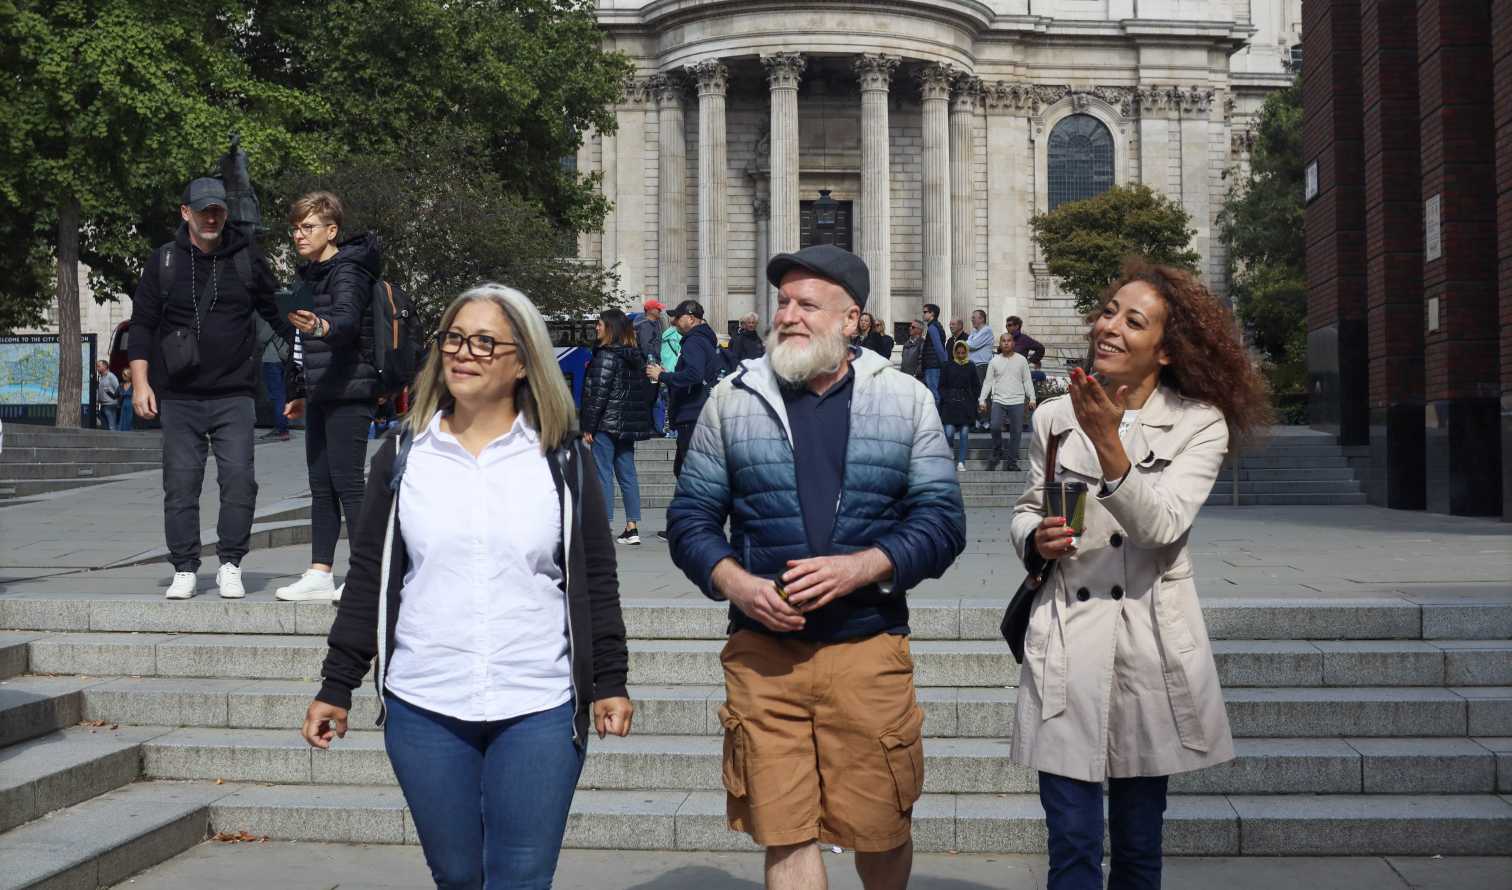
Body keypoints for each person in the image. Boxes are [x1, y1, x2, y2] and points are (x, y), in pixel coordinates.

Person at [302, 283, 634, 890]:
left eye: (485, 341)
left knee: (521, 876)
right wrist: (337, 684)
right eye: (454, 338)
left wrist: (609, 679)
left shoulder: (560, 459)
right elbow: (370, 576)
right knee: (456, 875)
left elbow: (594, 576)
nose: (464, 353)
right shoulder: (404, 455)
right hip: (426, 700)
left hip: (537, 699)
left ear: (523, 361)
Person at [667, 244, 966, 890]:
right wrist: (737, 584)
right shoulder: (733, 399)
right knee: (784, 834)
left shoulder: (906, 400)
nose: (789, 316)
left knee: (882, 831)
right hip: (764, 656)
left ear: (852, 319)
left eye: (808, 304)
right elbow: (689, 520)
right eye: (783, 302)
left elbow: (943, 522)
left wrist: (863, 567)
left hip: (867, 647)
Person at [1009, 258, 1269, 890]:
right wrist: (1034, 537)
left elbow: (1162, 524)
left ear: (1167, 349)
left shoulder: (1198, 423)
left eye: (1134, 320)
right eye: (1107, 312)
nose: (1110, 327)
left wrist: (1109, 443)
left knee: (1136, 848)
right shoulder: (1053, 415)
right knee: (1069, 845)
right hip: (1067, 643)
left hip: (1145, 647)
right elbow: (1027, 506)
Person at [128, 177, 292, 600]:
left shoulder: (246, 259)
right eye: (203, 209)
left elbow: (279, 315)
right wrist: (140, 383)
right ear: (186, 213)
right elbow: (143, 326)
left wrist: (309, 355)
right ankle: (184, 567)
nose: (212, 215)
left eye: (218, 208)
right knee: (181, 483)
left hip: (234, 394)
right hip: (179, 397)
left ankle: (231, 563)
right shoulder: (163, 262)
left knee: (239, 480)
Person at [274, 193, 383, 604]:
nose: (299, 235)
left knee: (348, 484)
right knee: (321, 485)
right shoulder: (313, 273)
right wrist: (301, 391)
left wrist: (320, 324)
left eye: (308, 227)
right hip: (323, 390)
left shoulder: (348, 269)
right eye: (296, 228)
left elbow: (347, 321)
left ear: (331, 231)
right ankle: (320, 571)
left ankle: (364, 575)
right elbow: (303, 342)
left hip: (349, 389)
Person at [581, 308, 657, 546]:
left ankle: (603, 525)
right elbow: (646, 392)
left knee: (602, 474)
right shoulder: (635, 356)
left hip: (605, 424)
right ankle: (632, 527)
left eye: (600, 324)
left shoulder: (605, 355)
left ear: (610, 328)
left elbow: (597, 395)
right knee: (627, 474)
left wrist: (588, 426)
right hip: (627, 425)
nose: (596, 328)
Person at [647, 299, 719, 479]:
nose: (673, 321)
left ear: (692, 319)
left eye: (678, 317)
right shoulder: (703, 340)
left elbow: (694, 375)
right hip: (697, 413)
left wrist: (662, 376)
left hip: (692, 415)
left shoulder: (694, 341)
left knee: (690, 475)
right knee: (684, 471)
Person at [979, 333, 1038, 471]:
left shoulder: (1022, 360)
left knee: (1016, 432)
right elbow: (987, 382)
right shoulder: (994, 361)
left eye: (1009, 341)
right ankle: (997, 449)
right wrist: (982, 399)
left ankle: (1011, 462)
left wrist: (1032, 398)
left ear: (1013, 343)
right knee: (994, 426)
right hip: (998, 400)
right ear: (1000, 344)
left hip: (1017, 400)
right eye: (1003, 341)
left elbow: (1027, 380)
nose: (1006, 343)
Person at [939, 341, 977, 472]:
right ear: (954, 352)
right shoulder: (947, 365)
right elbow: (941, 386)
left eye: (963, 352)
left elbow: (976, 385)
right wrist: (947, 397)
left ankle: (961, 461)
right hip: (950, 404)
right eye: (958, 352)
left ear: (966, 352)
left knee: (964, 433)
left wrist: (973, 400)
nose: (960, 355)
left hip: (966, 404)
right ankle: (949, 449)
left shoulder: (971, 366)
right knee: (948, 432)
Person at [635, 299, 668, 434]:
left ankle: (650, 426)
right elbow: (647, 347)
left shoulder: (654, 324)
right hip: (648, 367)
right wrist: (654, 363)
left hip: (652, 366)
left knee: (652, 397)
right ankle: (648, 427)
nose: (660, 311)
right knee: (649, 397)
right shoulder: (645, 325)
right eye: (658, 309)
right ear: (650, 310)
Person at [259, 322, 290, 442]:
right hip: (285, 359)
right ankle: (283, 427)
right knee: (282, 395)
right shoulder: (289, 317)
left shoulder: (272, 320)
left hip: (272, 360)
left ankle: (281, 430)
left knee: (277, 396)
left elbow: (262, 338)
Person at [966, 310, 995, 429]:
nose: (972, 319)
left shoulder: (987, 330)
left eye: (974, 317)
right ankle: (978, 419)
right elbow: (969, 344)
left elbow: (971, 345)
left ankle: (985, 421)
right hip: (973, 365)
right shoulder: (974, 331)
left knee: (983, 393)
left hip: (982, 365)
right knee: (974, 393)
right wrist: (968, 343)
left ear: (982, 319)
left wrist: (968, 344)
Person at [659, 315, 683, 439]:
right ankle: (675, 429)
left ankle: (667, 428)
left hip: (664, 372)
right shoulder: (679, 335)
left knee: (666, 403)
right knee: (675, 402)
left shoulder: (664, 335)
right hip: (675, 373)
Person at [920, 303, 948, 403]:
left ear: (932, 313)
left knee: (934, 394)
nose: (923, 314)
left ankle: (936, 417)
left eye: (925, 312)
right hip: (934, 364)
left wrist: (944, 364)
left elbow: (939, 348)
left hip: (933, 366)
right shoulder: (937, 326)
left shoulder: (932, 328)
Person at [94, 360, 121, 431]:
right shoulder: (101, 378)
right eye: (97, 366)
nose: (97, 368)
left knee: (112, 426)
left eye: (99, 366)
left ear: (105, 366)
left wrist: (117, 402)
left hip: (111, 405)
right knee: (105, 427)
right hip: (102, 405)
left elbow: (118, 389)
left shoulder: (111, 377)